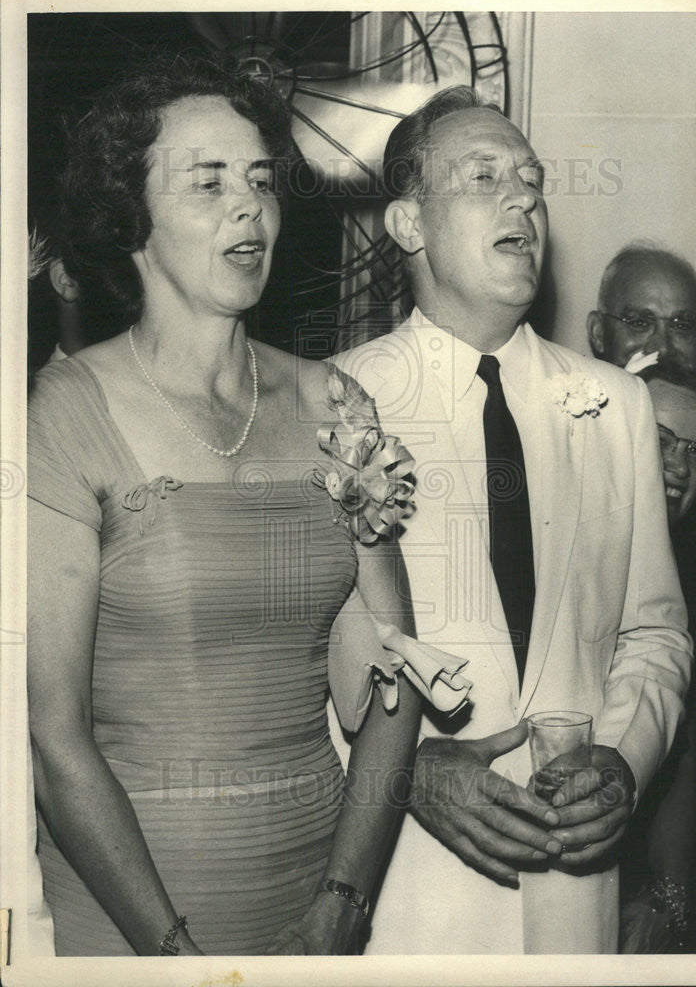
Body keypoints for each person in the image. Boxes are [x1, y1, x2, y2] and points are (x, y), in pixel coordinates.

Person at [27, 50, 430, 957]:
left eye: (260, 180)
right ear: (132, 217)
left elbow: (395, 683)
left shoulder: (335, 404)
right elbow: (54, 743)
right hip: (133, 921)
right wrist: (175, 959)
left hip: (316, 900)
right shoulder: (61, 415)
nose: (250, 204)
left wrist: (344, 901)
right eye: (208, 183)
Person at [332, 85, 692, 954]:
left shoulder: (616, 405)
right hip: (410, 899)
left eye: (531, 179)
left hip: (577, 900)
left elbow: (655, 631)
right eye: (484, 174)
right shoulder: (338, 399)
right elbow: (291, 669)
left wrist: (623, 761)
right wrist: (402, 777)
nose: (524, 197)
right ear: (409, 225)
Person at [587, 245, 696, 948]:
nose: (658, 344)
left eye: (681, 325)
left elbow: (689, 729)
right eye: (639, 320)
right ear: (598, 334)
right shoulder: (554, 456)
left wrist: (671, 900)